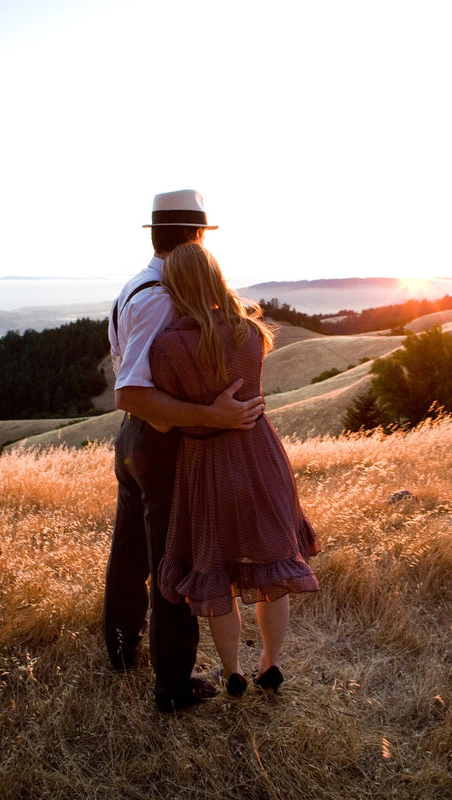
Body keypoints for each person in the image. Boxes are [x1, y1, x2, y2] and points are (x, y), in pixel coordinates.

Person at [104, 190, 264, 713]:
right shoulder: (162, 297)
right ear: (197, 238)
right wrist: (213, 416)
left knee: (129, 551)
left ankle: (123, 653)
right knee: (175, 560)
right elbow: (129, 389)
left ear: (155, 235)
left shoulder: (134, 286)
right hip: (161, 442)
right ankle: (173, 686)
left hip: (132, 440)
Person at [149, 242, 321, 697]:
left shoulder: (168, 345)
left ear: (174, 287)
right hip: (261, 456)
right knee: (271, 567)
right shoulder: (251, 332)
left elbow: (165, 412)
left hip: (207, 464)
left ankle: (231, 673)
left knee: (214, 570)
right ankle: (271, 663)